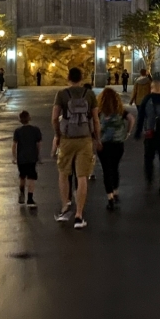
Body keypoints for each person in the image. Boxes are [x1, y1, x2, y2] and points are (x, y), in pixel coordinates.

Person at [51, 67, 101, 229]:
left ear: (68, 77)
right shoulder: (90, 94)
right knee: (82, 177)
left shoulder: (62, 94)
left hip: (67, 138)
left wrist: (58, 135)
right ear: (81, 77)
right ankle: (79, 215)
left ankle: (65, 208)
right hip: (85, 138)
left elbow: (54, 118)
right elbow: (96, 119)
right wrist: (96, 138)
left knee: (64, 173)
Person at [97, 87, 134, 210]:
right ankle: (116, 191)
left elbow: (94, 125)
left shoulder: (99, 112)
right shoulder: (120, 111)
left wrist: (96, 138)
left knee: (106, 170)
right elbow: (131, 119)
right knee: (115, 167)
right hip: (118, 143)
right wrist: (127, 132)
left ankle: (110, 197)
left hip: (103, 144)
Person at [12, 110, 42, 208]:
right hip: (32, 158)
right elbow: (38, 145)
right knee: (31, 178)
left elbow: (14, 145)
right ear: (29, 118)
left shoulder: (17, 131)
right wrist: (38, 156)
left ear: (20, 120)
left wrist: (15, 157)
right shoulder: (35, 130)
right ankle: (30, 198)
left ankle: (21, 193)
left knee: (22, 176)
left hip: (21, 158)